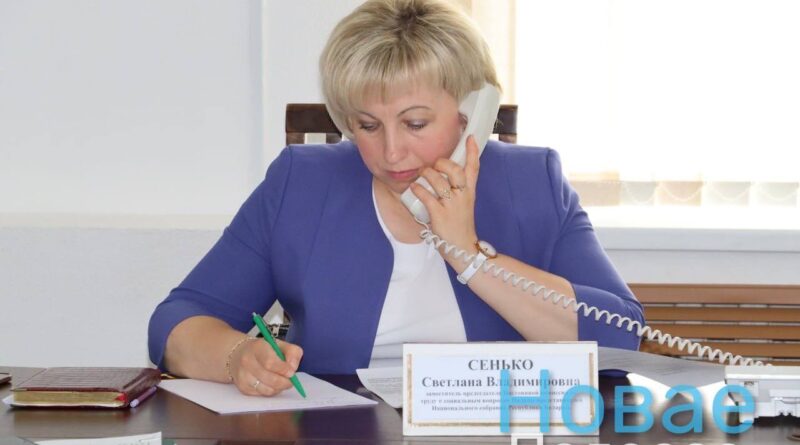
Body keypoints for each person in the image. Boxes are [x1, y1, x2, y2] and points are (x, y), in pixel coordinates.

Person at [148, 0, 644, 398]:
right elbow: (176, 320)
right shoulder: (302, 183)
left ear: (472, 112)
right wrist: (236, 357)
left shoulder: (532, 182)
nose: (390, 152)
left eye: (415, 123)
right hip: (339, 433)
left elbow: (621, 337)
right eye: (367, 125)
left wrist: (469, 256)